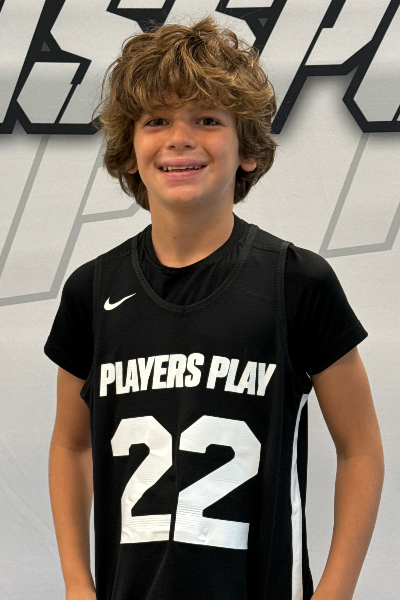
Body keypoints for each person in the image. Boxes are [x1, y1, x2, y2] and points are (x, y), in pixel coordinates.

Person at [45, 14, 384, 600]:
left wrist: (335, 591)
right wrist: (78, 583)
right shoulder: (90, 291)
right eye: (156, 120)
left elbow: (361, 450)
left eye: (207, 119)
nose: (180, 138)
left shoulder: (295, 282)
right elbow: (71, 446)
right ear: (128, 150)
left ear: (246, 149)